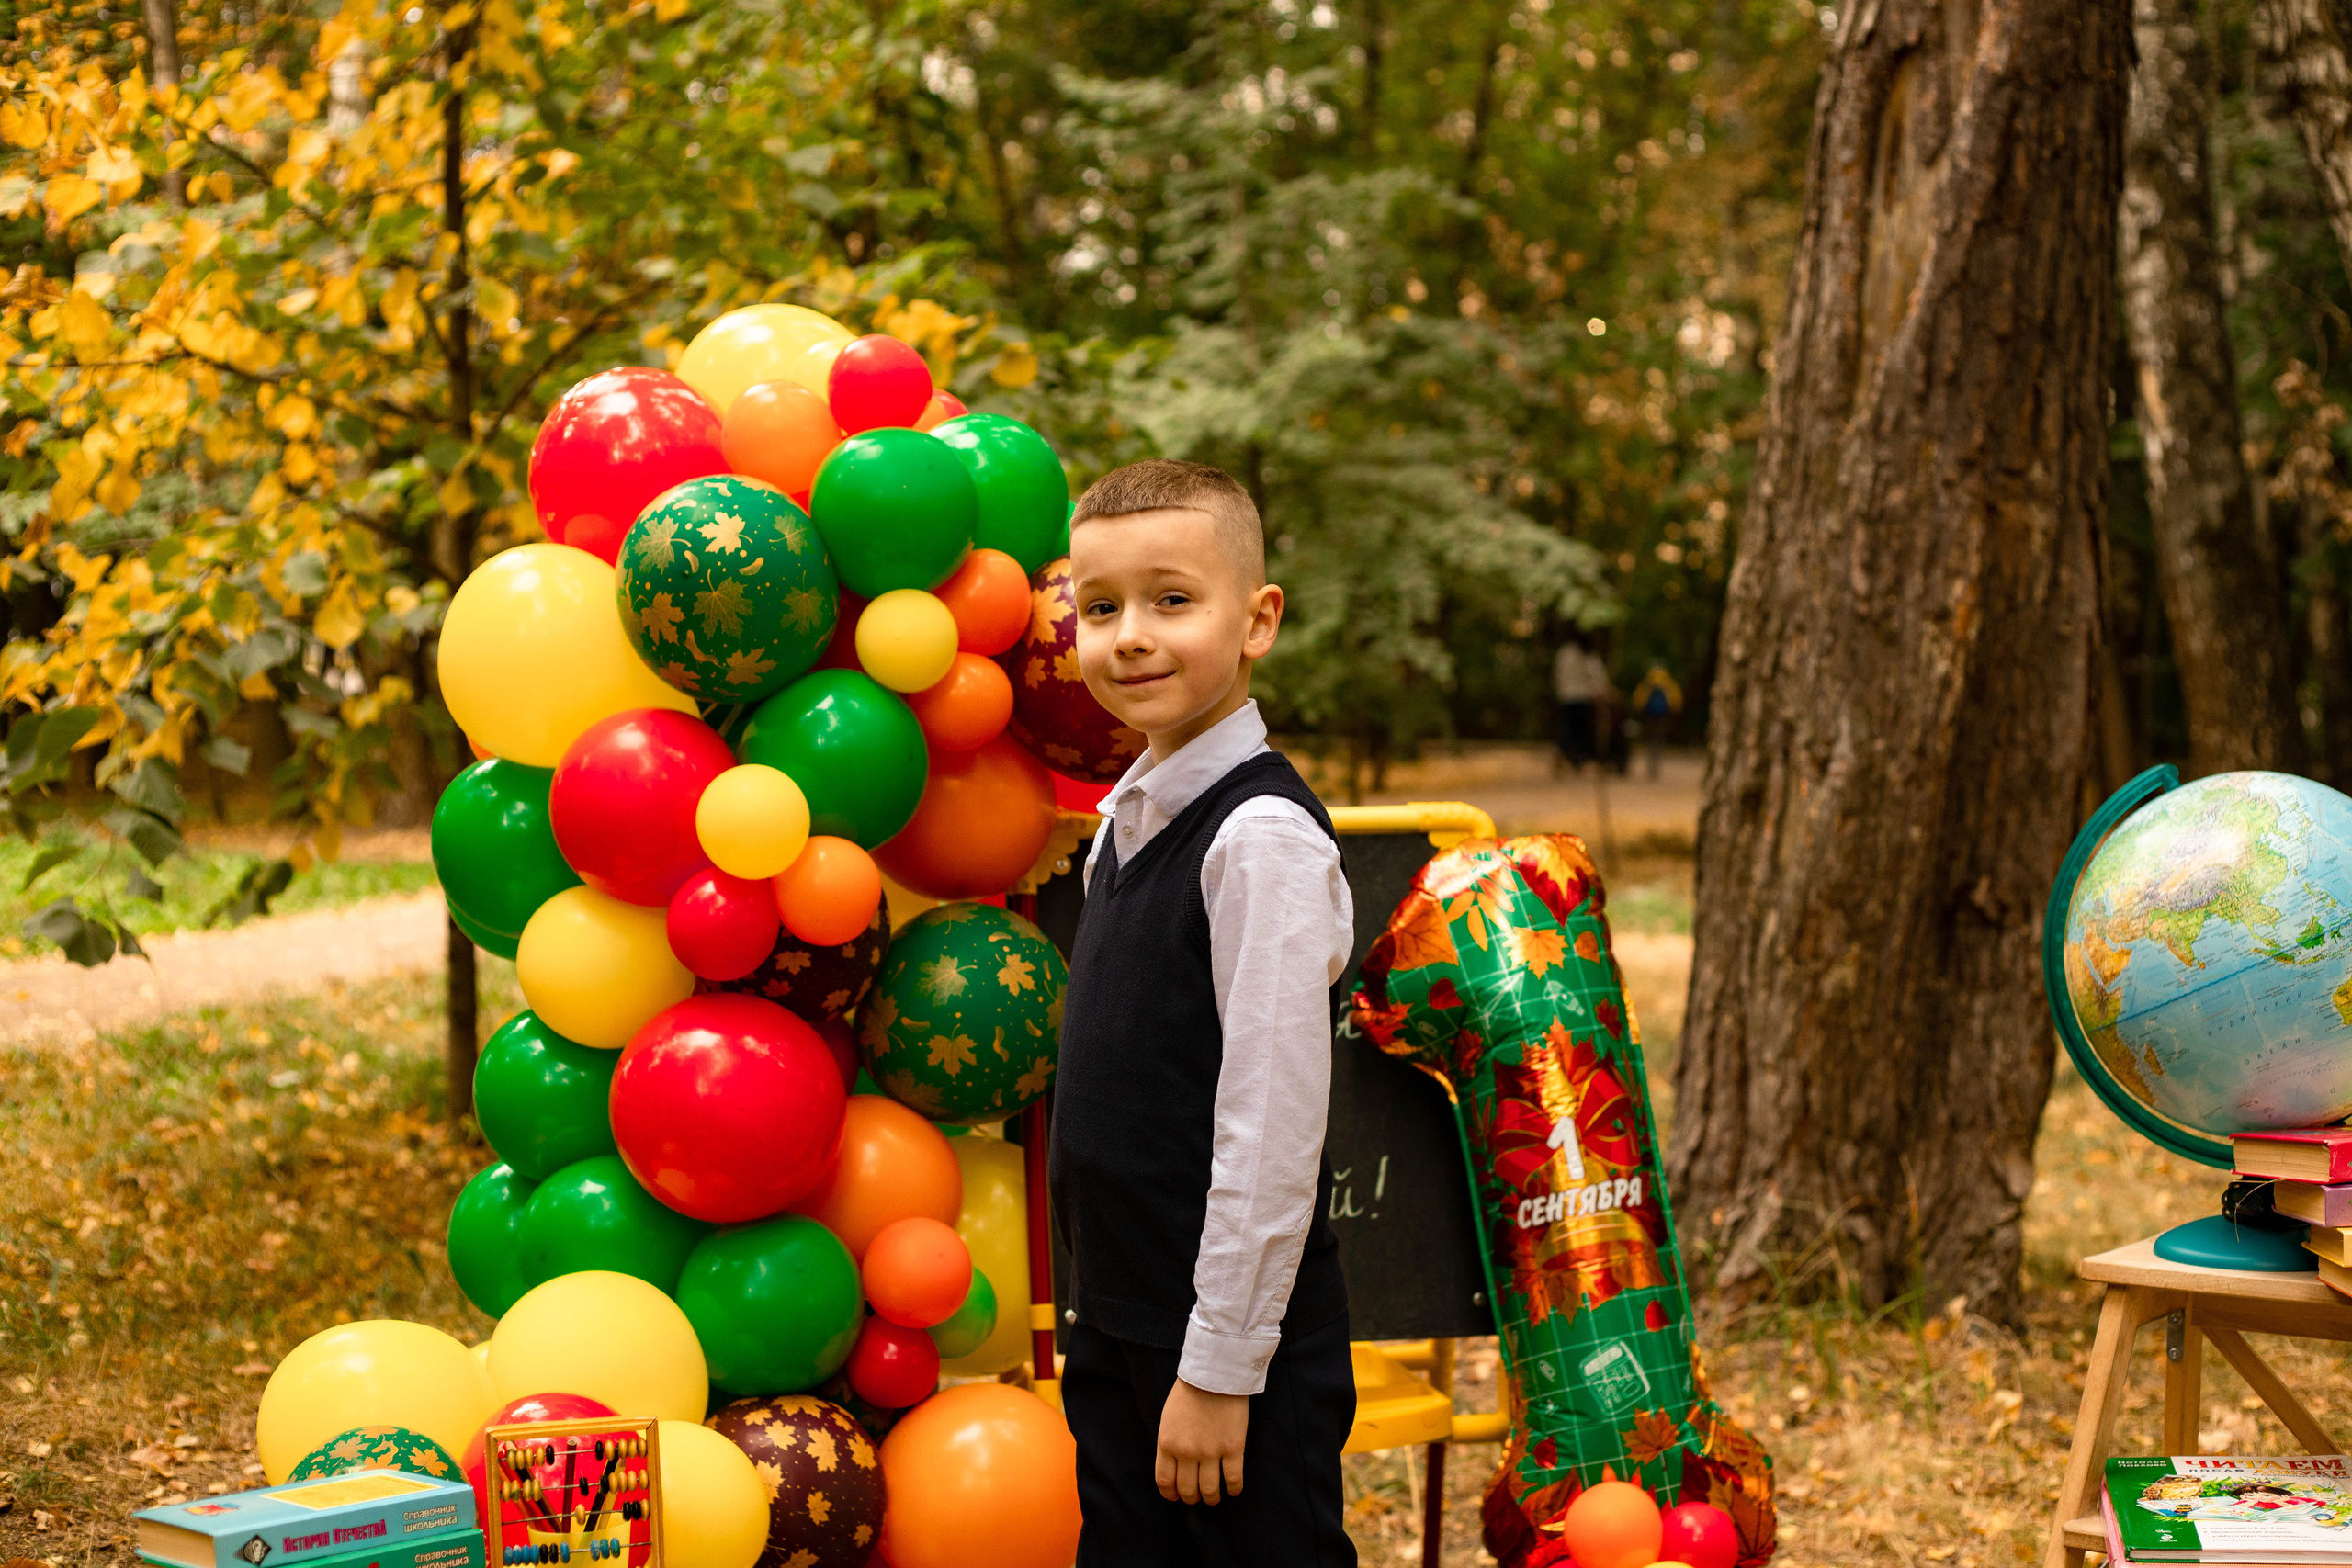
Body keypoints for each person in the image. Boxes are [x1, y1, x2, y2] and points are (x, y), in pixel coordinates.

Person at [1048, 458, 1358, 1568]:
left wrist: (1219, 1369)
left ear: (1257, 619)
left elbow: (1270, 1130)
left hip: (1227, 1351)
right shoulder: (1120, 829)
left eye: (1171, 601)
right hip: (1121, 1317)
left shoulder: (1257, 840)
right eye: (1099, 607)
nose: (1130, 635)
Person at [1552, 637, 1611, 773]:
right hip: (1582, 697)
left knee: (1568, 728)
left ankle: (1567, 754)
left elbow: (1557, 675)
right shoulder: (1588, 656)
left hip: (1567, 696)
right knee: (1579, 731)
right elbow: (1599, 678)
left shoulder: (1565, 653)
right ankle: (1575, 759)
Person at [1627, 661, 1683, 781]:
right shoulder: (1667, 684)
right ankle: (1656, 764)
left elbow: (1638, 699)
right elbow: (1676, 700)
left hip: (1649, 717)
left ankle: (1651, 765)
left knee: (1650, 740)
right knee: (1658, 740)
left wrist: (1639, 710)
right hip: (1663, 717)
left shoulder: (1647, 684)